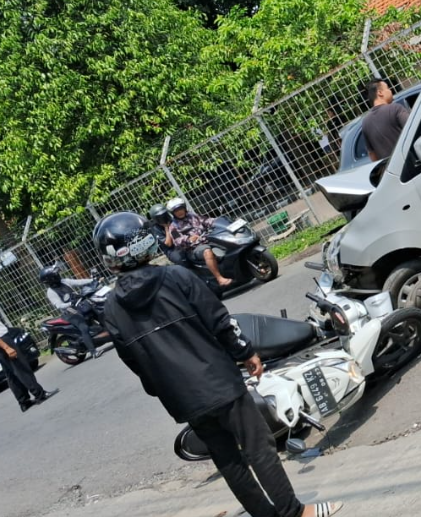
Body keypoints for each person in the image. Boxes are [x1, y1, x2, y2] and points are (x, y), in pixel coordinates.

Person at [95, 211, 342, 517]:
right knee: (258, 445)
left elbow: (134, 361)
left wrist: (164, 391)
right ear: (144, 242)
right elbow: (221, 322)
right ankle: (294, 513)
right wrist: (247, 353)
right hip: (219, 382)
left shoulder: (111, 308)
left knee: (228, 460)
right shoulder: (177, 278)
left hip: (183, 398)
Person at [0, 292, 57, 412]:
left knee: (11, 374)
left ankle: (24, 401)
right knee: (21, 368)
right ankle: (40, 394)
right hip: (0, 342)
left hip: (1, 340)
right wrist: (6, 347)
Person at [164, 198, 231, 288]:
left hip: (208, 239)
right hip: (193, 249)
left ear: (184, 208)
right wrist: (189, 239)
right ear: (172, 213)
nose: (179, 212)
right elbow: (177, 241)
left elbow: (207, 221)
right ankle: (220, 279)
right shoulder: (173, 226)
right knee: (207, 251)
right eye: (176, 211)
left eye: (180, 208)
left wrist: (220, 221)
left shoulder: (193, 216)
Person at [38, 262, 100, 360]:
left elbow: (78, 282)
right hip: (70, 312)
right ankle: (93, 351)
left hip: (79, 305)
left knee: (96, 311)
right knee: (84, 327)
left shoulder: (64, 281)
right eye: (56, 274)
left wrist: (92, 280)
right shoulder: (51, 292)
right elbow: (59, 305)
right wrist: (70, 304)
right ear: (51, 279)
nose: (58, 275)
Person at [361, 78, 409, 161]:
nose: (390, 91)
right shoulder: (395, 109)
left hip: (390, 171)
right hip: (409, 163)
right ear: (380, 93)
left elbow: (372, 154)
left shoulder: (365, 122)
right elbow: (412, 130)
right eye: (387, 88)